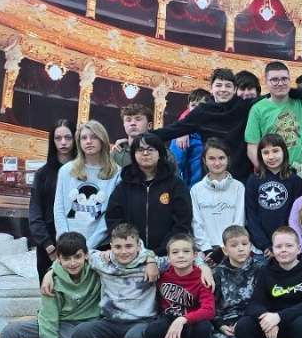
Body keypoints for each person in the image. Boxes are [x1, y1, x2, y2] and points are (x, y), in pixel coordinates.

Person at [72, 222, 161, 338]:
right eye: (118, 247)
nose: (123, 251)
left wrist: (151, 258)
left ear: (138, 245)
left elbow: (191, 258)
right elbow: (72, 256)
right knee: (81, 332)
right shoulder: (101, 260)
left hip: (142, 322)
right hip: (111, 322)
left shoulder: (153, 263)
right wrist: (50, 273)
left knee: (134, 337)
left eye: (129, 246)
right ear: (111, 246)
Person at [141, 232, 216, 338]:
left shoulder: (202, 276)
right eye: (175, 252)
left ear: (195, 255)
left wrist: (183, 319)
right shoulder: (162, 274)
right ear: (168, 257)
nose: (180, 255)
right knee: (152, 330)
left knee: (204, 328)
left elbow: (209, 310)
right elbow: (141, 255)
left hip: (191, 324)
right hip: (168, 320)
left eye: (186, 251)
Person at [159, 67, 256, 182]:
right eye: (218, 85)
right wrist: (145, 137)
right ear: (211, 89)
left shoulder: (246, 107)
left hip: (241, 179)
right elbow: (174, 129)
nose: (223, 89)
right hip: (211, 178)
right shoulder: (203, 111)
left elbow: (269, 100)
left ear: (234, 89)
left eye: (228, 86)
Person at [103, 130, 192, 255]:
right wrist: (130, 246)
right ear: (133, 155)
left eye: (150, 149)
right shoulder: (124, 186)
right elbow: (114, 219)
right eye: (140, 150)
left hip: (168, 254)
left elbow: (182, 221)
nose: (145, 153)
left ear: (160, 153)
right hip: (131, 254)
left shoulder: (175, 185)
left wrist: (163, 250)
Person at [245, 60, 302, 170]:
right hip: (273, 173)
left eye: (284, 79)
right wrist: (266, 173)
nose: (280, 83)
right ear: (266, 82)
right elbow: (252, 147)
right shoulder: (257, 109)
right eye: (274, 80)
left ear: (289, 80)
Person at [53, 120, 120, 250]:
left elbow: (111, 215)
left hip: (101, 246)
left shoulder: (117, 173)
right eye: (84, 138)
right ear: (79, 142)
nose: (88, 141)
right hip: (68, 244)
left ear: (102, 140)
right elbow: (59, 208)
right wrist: (64, 239)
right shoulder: (66, 170)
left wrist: (87, 246)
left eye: (94, 137)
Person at [27, 119, 77, 279]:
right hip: (49, 246)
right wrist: (49, 246)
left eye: (68, 137)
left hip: (79, 243)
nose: (63, 142)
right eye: (58, 138)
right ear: (52, 140)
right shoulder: (42, 174)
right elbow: (35, 214)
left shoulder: (84, 172)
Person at [245, 134, 302, 253]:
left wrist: (284, 243)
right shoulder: (253, 180)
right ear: (260, 155)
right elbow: (251, 215)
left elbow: (296, 216)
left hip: (287, 246)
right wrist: (265, 245)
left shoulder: (295, 181)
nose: (271, 156)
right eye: (266, 152)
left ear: (284, 152)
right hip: (261, 250)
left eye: (275, 151)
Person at [190, 140, 246, 264]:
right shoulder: (196, 190)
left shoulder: (238, 187)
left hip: (232, 251)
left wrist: (223, 250)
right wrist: (207, 249)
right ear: (204, 160)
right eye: (212, 158)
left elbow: (239, 221)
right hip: (205, 254)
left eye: (221, 158)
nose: (217, 163)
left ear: (228, 159)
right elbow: (196, 223)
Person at [168, 89, 211, 187]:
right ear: (188, 107)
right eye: (193, 105)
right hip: (189, 189)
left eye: (201, 105)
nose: (197, 109)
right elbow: (174, 165)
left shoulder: (214, 130)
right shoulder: (181, 135)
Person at [110, 101, 154, 172]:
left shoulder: (161, 154)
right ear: (124, 125)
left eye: (138, 119)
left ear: (149, 125)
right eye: (128, 120)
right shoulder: (116, 154)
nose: (133, 123)